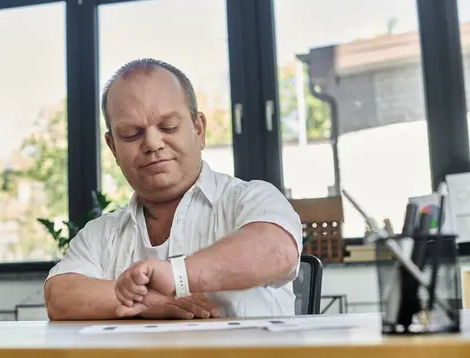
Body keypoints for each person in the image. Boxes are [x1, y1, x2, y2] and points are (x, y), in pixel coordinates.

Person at [44, 58, 303, 321]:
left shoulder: (250, 199)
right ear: (113, 148)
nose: (153, 144)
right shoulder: (101, 234)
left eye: (169, 127)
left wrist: (177, 275)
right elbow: (59, 296)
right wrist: (147, 303)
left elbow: (277, 250)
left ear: (198, 129)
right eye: (131, 133)